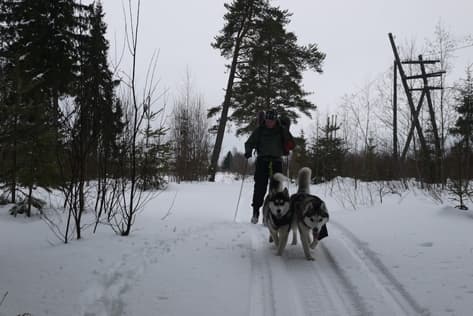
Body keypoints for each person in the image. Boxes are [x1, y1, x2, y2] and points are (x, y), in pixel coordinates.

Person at [244, 109, 295, 224]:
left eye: (271, 120)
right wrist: (248, 151)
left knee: (276, 190)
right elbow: (249, 143)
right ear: (265, 119)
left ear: (275, 120)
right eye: (267, 120)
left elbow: (291, 144)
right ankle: (256, 212)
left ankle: (272, 215)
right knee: (260, 187)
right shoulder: (260, 130)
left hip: (277, 161)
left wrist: (286, 130)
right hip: (262, 161)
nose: (269, 122)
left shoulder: (281, 130)